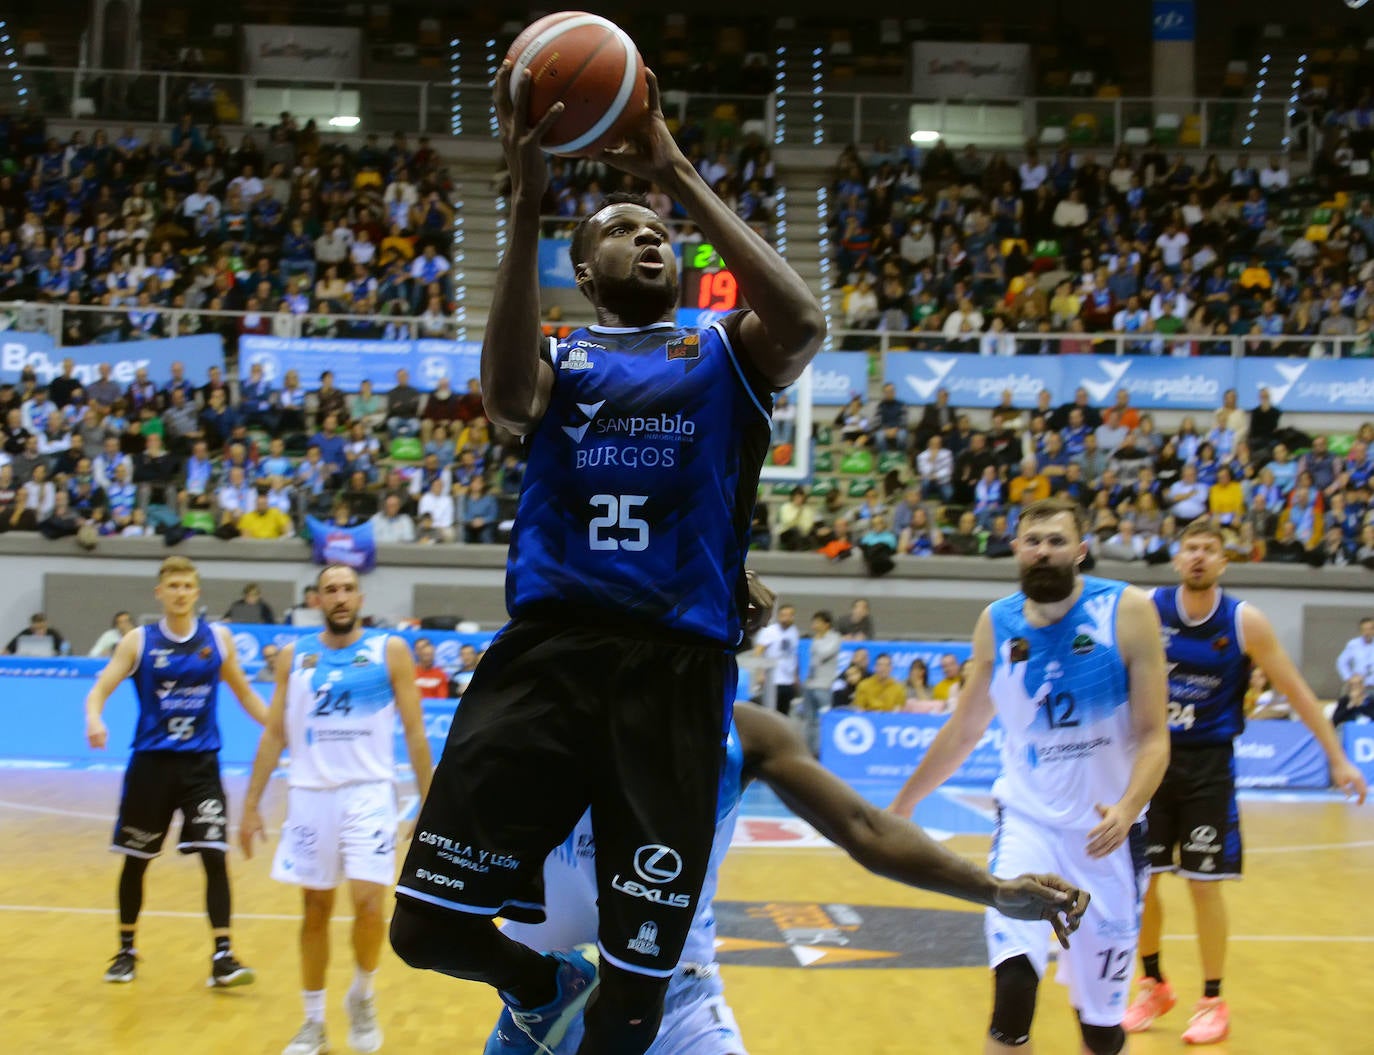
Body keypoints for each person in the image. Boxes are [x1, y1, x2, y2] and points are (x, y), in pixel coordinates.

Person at [389, 59, 825, 1055]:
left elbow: (803, 321)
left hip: (674, 673)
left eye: (659, 233)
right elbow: (503, 399)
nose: (650, 238)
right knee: (425, 924)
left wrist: (672, 168)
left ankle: (589, 998)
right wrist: (528, 200)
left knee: (637, 994)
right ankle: (540, 984)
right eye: (624, 230)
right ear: (582, 272)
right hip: (548, 657)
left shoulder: (724, 352)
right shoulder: (558, 359)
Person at [490, 701, 1089, 1054]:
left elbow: (865, 827)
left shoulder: (744, 732)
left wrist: (994, 889)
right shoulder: (532, 717)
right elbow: (433, 915)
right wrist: (519, 978)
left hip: (679, 1004)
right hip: (544, 1005)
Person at [888, 496, 1171, 1055]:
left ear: (1081, 551)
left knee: (1101, 1027)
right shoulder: (997, 622)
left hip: (1105, 838)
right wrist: (902, 807)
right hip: (1027, 826)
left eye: (1057, 541)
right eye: (1033, 541)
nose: (1044, 552)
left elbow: (1156, 737)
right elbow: (964, 730)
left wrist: (1129, 805)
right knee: (1013, 992)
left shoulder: (1129, 611)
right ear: (1016, 549)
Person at [1123, 521, 1368, 1045]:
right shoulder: (1144, 607)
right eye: (1191, 548)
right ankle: (1153, 983)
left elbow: (1297, 690)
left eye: (1209, 550)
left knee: (1204, 885)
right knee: (1142, 884)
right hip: (1149, 761)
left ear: (1223, 563)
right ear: (1176, 557)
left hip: (1208, 766)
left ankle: (1213, 999)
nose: (1198, 557)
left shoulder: (1243, 621)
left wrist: (1339, 758)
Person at [239, 564, 434, 1055]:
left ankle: (362, 996)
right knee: (315, 910)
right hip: (310, 796)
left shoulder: (389, 650)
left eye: (348, 589)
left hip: (369, 793)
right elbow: (276, 733)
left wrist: (430, 799)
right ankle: (312, 1023)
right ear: (317, 600)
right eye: (331, 590)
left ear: (360, 596)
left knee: (370, 906)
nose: (341, 597)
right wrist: (250, 804)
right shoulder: (294, 656)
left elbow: (414, 731)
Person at [83, 556, 270, 986]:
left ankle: (223, 956)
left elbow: (245, 693)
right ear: (160, 593)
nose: (181, 592)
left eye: (188, 585)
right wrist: (94, 718)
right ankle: (126, 949)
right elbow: (100, 688)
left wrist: (281, 728)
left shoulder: (218, 639)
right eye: (174, 586)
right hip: (151, 765)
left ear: (197, 592)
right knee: (136, 860)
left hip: (201, 766)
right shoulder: (138, 641)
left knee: (214, 855)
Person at [799, 610, 841, 755]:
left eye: (817, 622)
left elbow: (824, 654)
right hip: (810, 685)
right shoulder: (815, 639)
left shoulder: (834, 638)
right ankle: (808, 751)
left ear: (826, 624)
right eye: (813, 621)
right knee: (809, 721)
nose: (814, 625)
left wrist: (818, 640)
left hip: (823, 686)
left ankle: (821, 752)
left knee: (823, 720)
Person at [754, 604, 800, 715]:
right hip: (773, 679)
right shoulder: (770, 631)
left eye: (789, 615)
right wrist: (760, 673)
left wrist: (795, 676)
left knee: (785, 712)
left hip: (788, 680)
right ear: (779, 616)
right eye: (783, 615)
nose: (786, 618)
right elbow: (758, 652)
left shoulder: (794, 632)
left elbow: (794, 655)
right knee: (771, 712)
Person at [1336, 617, 1374, 694]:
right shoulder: (1353, 644)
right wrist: (1349, 678)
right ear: (1360, 631)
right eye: (1364, 629)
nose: (1367, 632)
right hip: (1358, 686)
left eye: (1370, 629)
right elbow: (1341, 662)